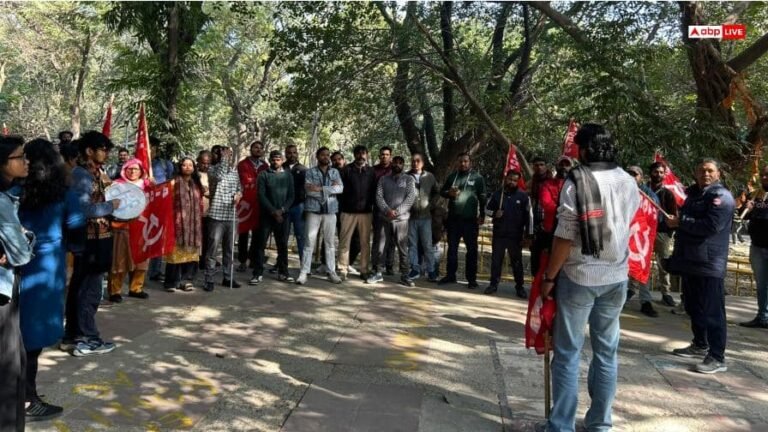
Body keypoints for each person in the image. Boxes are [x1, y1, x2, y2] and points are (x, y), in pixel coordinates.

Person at [537, 124, 640, 432]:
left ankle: (561, 426)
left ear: (582, 149)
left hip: (579, 276)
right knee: (606, 352)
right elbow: (629, 222)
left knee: (568, 353)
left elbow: (565, 237)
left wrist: (549, 278)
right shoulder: (627, 181)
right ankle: (599, 424)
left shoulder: (577, 182)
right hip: (616, 276)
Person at [18, 139, 84, 421]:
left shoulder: (13, 189)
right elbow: (77, 225)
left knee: (13, 332)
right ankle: (27, 400)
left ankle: (20, 395)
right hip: (45, 266)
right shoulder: (65, 192)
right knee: (33, 337)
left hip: (13, 264)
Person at [667, 159, 735, 374]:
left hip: (709, 263)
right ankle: (700, 343)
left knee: (713, 311)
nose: (705, 174)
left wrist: (681, 221)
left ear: (718, 173)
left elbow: (711, 226)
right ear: (695, 173)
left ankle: (717, 356)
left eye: (710, 171)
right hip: (690, 261)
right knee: (693, 306)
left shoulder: (721, 197)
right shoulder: (694, 195)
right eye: (701, 170)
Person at [65, 131, 121, 357]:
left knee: (83, 287)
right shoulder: (82, 175)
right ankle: (86, 338)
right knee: (89, 290)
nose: (106, 154)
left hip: (100, 238)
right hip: (89, 241)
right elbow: (83, 210)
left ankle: (73, 336)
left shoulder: (95, 173)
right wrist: (112, 207)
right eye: (103, 149)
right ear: (89, 151)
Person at [0, 135, 35, 431]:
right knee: (9, 365)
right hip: (2, 293)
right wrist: (26, 237)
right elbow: (21, 254)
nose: (26, 161)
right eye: (20, 156)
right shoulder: (2, 201)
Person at [438, 152, 486, 289]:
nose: (463, 164)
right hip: (453, 220)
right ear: (457, 163)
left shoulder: (477, 178)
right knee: (452, 249)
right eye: (460, 161)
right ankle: (450, 275)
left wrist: (482, 214)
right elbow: (442, 191)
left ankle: (471, 279)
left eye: (465, 161)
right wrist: (449, 194)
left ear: (470, 162)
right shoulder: (453, 177)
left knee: (472, 250)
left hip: (470, 221)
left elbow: (483, 197)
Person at [296, 147, 343, 285]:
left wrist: (321, 188)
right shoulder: (310, 172)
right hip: (313, 211)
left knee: (330, 243)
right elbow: (309, 191)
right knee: (309, 242)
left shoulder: (334, 172)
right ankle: (304, 272)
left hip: (330, 211)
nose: (326, 157)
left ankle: (331, 272)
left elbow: (340, 188)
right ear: (317, 156)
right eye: (323, 155)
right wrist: (330, 190)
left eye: (328, 155)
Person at [107, 158, 152, 302]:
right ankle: (115, 291)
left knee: (141, 261)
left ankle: (136, 288)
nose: (133, 172)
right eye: (130, 169)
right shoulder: (117, 185)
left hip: (142, 227)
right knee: (119, 260)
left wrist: (154, 186)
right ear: (124, 170)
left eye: (136, 169)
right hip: (122, 228)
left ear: (141, 171)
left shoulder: (147, 185)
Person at [484, 170, 529, 298]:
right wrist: (494, 214)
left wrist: (527, 235)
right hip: (499, 234)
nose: (512, 182)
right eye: (510, 179)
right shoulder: (498, 194)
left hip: (515, 236)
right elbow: (487, 209)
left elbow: (527, 217)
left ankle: (520, 287)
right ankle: (493, 285)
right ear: (506, 179)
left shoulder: (523, 196)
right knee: (496, 261)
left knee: (516, 262)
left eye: (515, 180)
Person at [372, 155, 416, 286]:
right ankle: (377, 272)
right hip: (384, 218)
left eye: (400, 163)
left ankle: (405, 275)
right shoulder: (383, 179)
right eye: (395, 162)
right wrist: (387, 210)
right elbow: (378, 196)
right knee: (380, 247)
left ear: (403, 165)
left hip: (401, 220)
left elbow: (410, 198)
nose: (397, 164)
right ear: (391, 164)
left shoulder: (409, 179)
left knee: (402, 248)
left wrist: (397, 212)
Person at [252, 150, 294, 284]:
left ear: (282, 160)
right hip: (267, 216)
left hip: (283, 216)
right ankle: (257, 273)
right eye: (274, 159)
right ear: (269, 160)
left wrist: (282, 210)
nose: (276, 161)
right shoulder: (263, 175)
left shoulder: (288, 176)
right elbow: (261, 195)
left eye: (278, 159)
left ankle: (283, 272)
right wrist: (273, 211)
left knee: (282, 245)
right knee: (260, 245)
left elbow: (291, 196)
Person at [204, 146, 242, 291]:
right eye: (225, 154)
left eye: (229, 154)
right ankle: (209, 278)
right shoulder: (213, 170)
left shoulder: (234, 171)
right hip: (216, 215)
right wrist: (224, 159)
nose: (227, 156)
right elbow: (219, 176)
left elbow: (239, 188)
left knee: (229, 249)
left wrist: (238, 195)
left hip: (231, 215)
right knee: (213, 248)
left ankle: (228, 277)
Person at [164, 157, 205, 292]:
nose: (187, 167)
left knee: (191, 254)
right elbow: (164, 199)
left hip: (193, 225)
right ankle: (171, 282)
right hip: (177, 223)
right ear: (180, 167)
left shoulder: (197, 184)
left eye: (190, 165)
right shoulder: (173, 182)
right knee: (175, 253)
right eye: (184, 165)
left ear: (194, 168)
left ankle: (186, 280)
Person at [625, 166, 660, 318]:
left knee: (642, 268)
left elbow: (655, 215)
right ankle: (622, 294)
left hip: (641, 237)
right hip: (623, 235)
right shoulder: (620, 189)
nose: (632, 177)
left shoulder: (648, 194)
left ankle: (645, 301)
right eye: (629, 174)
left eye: (635, 174)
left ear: (641, 177)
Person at [338, 145, 376, 281]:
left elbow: (374, 191)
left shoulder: (371, 171)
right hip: (348, 212)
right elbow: (340, 191)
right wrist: (343, 207)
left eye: (363, 153)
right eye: (358, 153)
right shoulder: (346, 170)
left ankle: (364, 270)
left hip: (366, 213)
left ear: (366, 154)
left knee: (364, 242)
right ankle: (342, 269)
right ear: (354, 155)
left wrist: (371, 206)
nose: (361, 156)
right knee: (344, 241)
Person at [530, 156, 569, 277]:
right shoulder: (547, 184)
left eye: (566, 164)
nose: (563, 167)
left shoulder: (574, 185)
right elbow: (546, 204)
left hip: (566, 231)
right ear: (556, 167)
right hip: (546, 229)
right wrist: (566, 210)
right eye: (561, 164)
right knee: (536, 260)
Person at [648, 161, 680, 307]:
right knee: (641, 261)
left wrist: (669, 233)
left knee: (663, 263)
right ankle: (634, 290)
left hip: (662, 233)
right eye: (656, 172)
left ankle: (665, 293)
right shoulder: (643, 190)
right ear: (650, 173)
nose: (658, 175)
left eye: (661, 172)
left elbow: (673, 215)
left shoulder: (667, 194)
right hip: (644, 232)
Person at [740, 165, 768, 329]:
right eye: (763, 175)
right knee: (762, 283)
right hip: (757, 246)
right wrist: (746, 208)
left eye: (767, 175)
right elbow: (743, 215)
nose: (764, 178)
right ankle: (762, 316)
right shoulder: (756, 195)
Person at [406, 152, 439, 283]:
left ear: (423, 163)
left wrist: (431, 205)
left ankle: (431, 271)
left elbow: (437, 192)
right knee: (412, 245)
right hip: (410, 217)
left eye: (418, 161)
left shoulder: (429, 177)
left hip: (425, 217)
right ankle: (414, 269)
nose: (415, 163)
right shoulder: (406, 176)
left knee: (427, 245)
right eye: (413, 161)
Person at [236, 140, 268, 272]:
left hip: (259, 203)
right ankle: (242, 261)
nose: (258, 150)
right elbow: (243, 180)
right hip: (245, 202)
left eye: (260, 148)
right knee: (243, 232)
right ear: (251, 149)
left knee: (257, 233)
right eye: (255, 147)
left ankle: (253, 259)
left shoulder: (265, 165)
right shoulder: (243, 164)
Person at [147, 137, 173, 282]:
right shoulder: (136, 164)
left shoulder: (165, 164)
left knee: (157, 237)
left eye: (151, 147)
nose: (149, 150)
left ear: (156, 148)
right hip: (141, 206)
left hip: (159, 206)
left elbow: (169, 183)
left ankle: (154, 271)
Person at [371, 146, 395, 275]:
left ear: (390, 156)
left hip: (393, 210)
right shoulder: (373, 170)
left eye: (387, 154)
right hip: (378, 210)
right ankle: (376, 265)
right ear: (379, 156)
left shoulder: (395, 170)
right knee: (378, 239)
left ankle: (389, 265)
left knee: (391, 239)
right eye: (382, 154)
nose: (384, 156)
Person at [285, 144, 307, 264]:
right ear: (285, 154)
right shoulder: (281, 168)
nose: (292, 155)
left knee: (300, 236)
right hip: (284, 208)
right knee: (283, 236)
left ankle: (304, 264)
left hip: (299, 206)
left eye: (294, 152)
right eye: (289, 152)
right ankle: (281, 264)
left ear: (297, 154)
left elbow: (307, 189)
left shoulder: (303, 169)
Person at [197, 150, 212, 269]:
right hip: (196, 212)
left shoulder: (212, 175)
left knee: (207, 238)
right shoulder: (194, 174)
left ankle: (204, 261)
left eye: (208, 163)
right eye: (203, 163)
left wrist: (207, 192)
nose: (205, 165)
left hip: (209, 212)